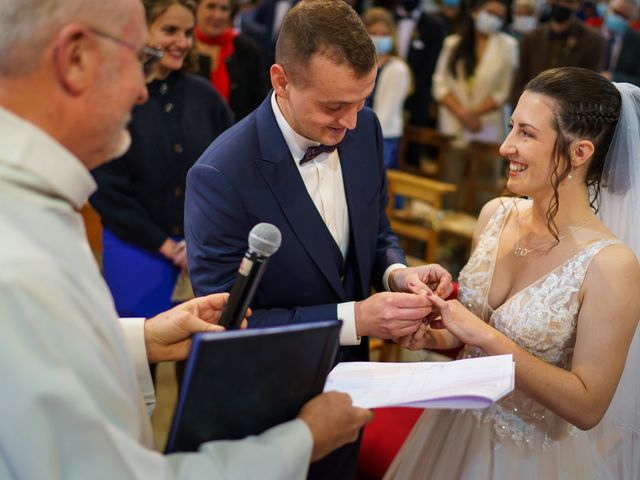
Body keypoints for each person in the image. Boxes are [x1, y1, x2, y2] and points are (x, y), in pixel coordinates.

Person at [0, 0, 374, 478]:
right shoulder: (18, 256)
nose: (141, 92)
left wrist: (143, 338)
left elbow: (44, 344)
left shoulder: (35, 204)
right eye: (141, 59)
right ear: (75, 59)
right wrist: (300, 441)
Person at [185, 0, 452, 477]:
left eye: (361, 100)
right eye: (333, 106)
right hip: (265, 410)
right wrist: (357, 317)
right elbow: (228, 325)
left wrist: (396, 273)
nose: (350, 122)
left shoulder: (364, 130)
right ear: (281, 80)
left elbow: (375, 231)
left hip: (349, 390)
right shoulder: (221, 174)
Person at [384, 67, 640, 479]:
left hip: (529, 458)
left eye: (526, 133)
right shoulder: (495, 215)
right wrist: (430, 332)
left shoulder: (611, 265)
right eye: (510, 128)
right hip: (451, 429)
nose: (505, 147)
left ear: (580, 153)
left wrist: (483, 335)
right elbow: (467, 329)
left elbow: (588, 406)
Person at [90, 0, 232, 321]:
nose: (182, 42)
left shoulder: (205, 96)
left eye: (187, 32)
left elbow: (229, 170)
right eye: (169, 30)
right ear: (140, 31)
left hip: (204, 252)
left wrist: (202, 243)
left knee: (203, 354)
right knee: (138, 355)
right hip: (135, 248)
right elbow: (105, 188)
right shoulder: (119, 95)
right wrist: (166, 245)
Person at [511, 0, 606, 106]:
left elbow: (590, 87)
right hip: (531, 106)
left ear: (578, 5)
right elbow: (520, 79)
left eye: (567, 1)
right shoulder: (532, 38)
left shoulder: (593, 41)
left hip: (569, 112)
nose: (561, 5)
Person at [194, 0, 270, 121]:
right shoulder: (184, 48)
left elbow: (262, 102)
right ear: (196, 8)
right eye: (211, 6)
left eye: (224, 9)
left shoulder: (248, 50)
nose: (218, 15)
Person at [363, 7, 412, 169]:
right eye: (374, 33)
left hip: (382, 137)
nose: (379, 38)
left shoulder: (397, 68)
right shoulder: (361, 65)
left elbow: (385, 115)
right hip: (359, 132)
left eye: (385, 34)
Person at [600, 0, 640, 87]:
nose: (618, 18)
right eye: (616, 12)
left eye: (625, 16)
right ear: (607, 9)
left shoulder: (637, 42)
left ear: (632, 19)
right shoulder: (589, 31)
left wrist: (613, 77)